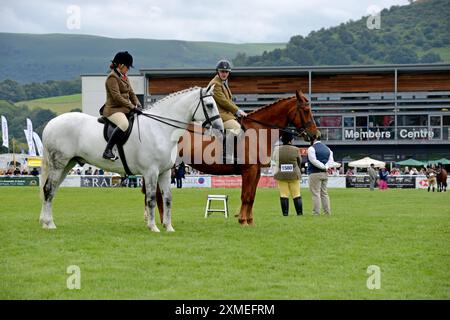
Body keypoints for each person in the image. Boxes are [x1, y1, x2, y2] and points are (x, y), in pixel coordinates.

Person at [102, 51, 142, 160]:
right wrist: (132, 107)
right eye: (127, 67)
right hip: (113, 110)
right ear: (121, 65)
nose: (128, 69)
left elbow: (131, 93)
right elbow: (117, 97)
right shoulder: (112, 78)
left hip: (124, 109)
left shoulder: (124, 76)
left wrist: (137, 104)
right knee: (124, 124)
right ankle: (108, 150)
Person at [208, 59, 247, 135]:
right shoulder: (215, 84)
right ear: (218, 72)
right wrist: (237, 111)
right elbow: (224, 102)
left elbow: (229, 101)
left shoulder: (222, 82)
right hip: (219, 116)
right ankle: (227, 147)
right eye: (222, 71)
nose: (224, 74)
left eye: (226, 72)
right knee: (237, 128)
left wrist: (238, 110)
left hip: (226, 114)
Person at [272, 131, 303, 216]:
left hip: (281, 174)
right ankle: (299, 213)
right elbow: (299, 161)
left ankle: (285, 214)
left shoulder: (277, 149)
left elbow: (274, 159)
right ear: (290, 140)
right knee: (296, 194)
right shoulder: (296, 149)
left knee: (283, 194)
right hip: (294, 174)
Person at [307, 132, 334, 216]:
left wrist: (323, 167)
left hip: (314, 173)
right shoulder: (328, 149)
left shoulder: (311, 148)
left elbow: (313, 161)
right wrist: (326, 167)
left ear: (314, 138)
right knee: (324, 193)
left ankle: (316, 213)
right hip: (325, 174)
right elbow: (331, 162)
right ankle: (327, 212)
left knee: (315, 194)